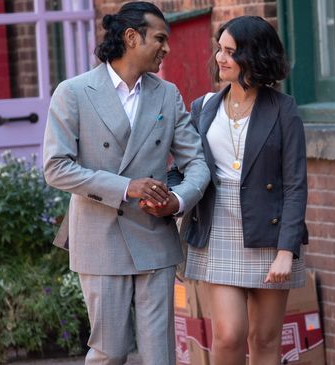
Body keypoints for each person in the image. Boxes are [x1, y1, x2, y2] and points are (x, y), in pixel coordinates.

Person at [43, 2, 209, 364]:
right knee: (109, 352)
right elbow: (55, 168)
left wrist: (177, 201)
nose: (166, 49)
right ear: (132, 38)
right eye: (160, 39)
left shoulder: (167, 94)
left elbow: (196, 163)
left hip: (154, 235)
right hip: (100, 237)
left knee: (159, 356)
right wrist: (125, 187)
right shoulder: (73, 92)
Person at [183, 15, 308, 365]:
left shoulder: (284, 110)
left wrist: (287, 249)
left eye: (230, 52)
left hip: (269, 232)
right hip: (217, 230)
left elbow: (296, 184)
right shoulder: (203, 108)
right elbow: (187, 169)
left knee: (265, 340)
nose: (220, 58)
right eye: (219, 49)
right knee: (228, 335)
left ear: (253, 57)